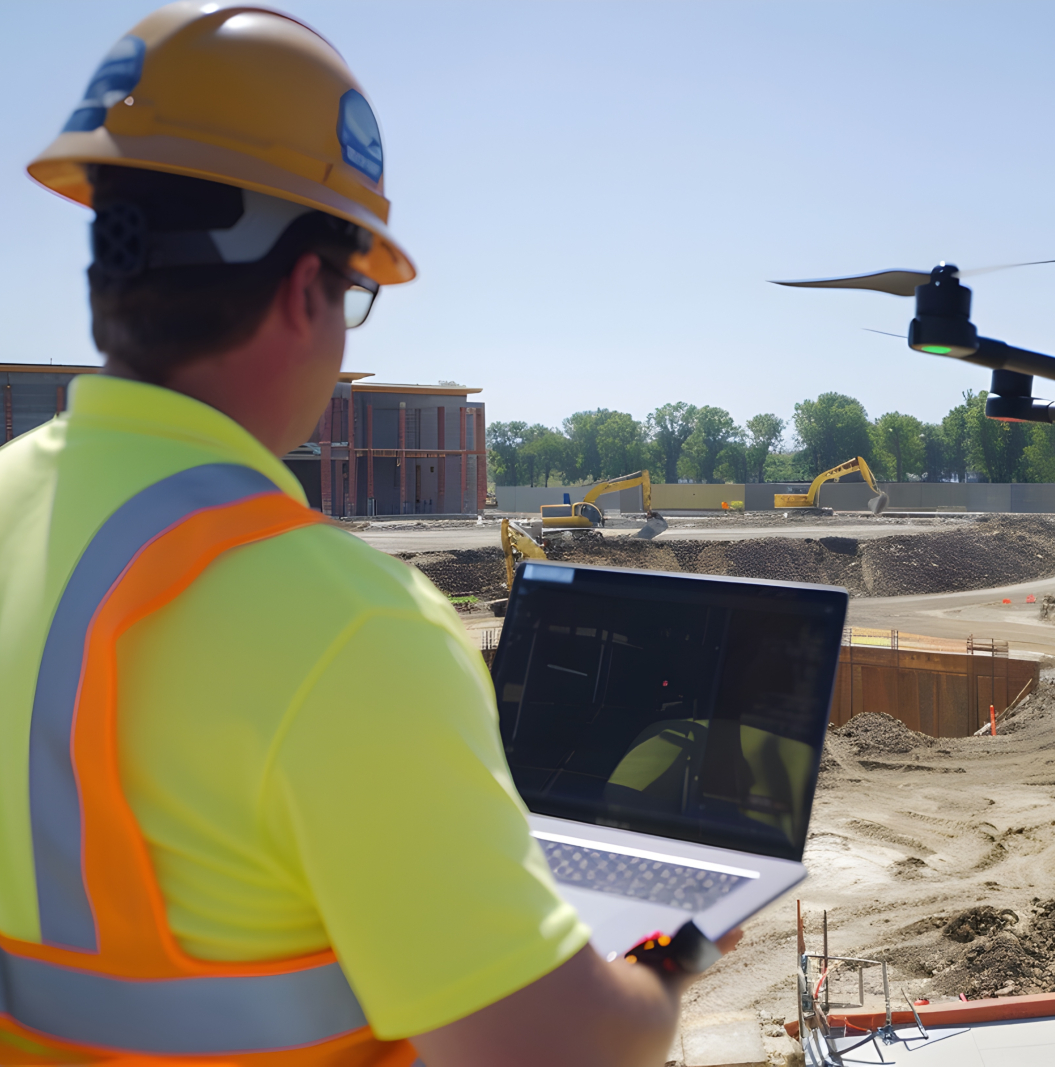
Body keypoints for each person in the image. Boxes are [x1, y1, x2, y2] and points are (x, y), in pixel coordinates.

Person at [0, 4, 734, 1064]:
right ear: (308, 288)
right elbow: (554, 1049)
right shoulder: (349, 628)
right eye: (354, 293)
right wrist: (675, 954)